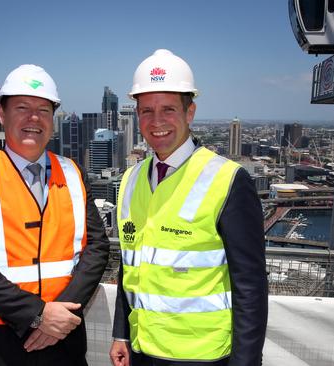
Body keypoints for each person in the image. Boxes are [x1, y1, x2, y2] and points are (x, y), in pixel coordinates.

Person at [109, 49, 268, 366]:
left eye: (168, 109)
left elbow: (251, 287)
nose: (157, 122)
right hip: (142, 351)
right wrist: (122, 333)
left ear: (190, 112)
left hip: (200, 356)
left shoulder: (228, 181)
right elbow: (131, 267)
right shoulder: (130, 180)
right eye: (146, 111)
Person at [0, 64, 110, 366]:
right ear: (1, 113)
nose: (34, 118)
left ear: (53, 119)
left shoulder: (75, 174)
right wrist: (38, 315)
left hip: (64, 343)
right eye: (22, 107)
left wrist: (61, 314)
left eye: (44, 110)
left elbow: (97, 248)